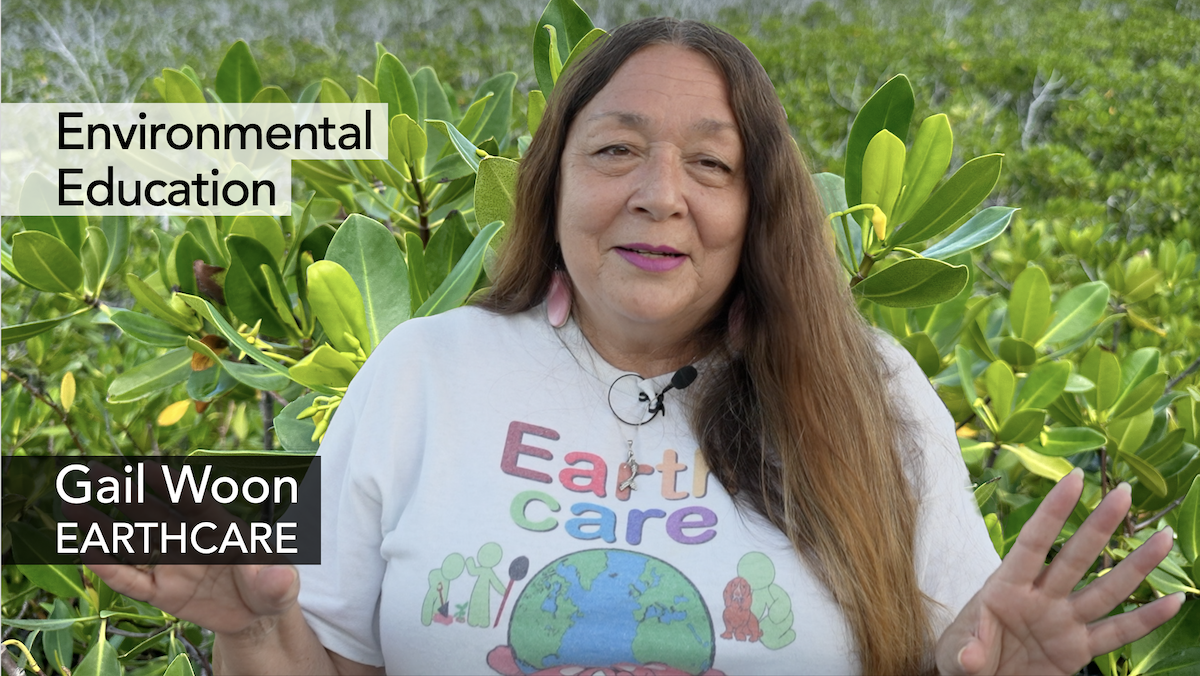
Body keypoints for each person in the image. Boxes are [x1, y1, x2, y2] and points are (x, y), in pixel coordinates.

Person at [90, 16, 1182, 676]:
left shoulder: (869, 388)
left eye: (711, 166)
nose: (660, 195)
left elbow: (956, 653)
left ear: (761, 210)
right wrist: (251, 633)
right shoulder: (425, 370)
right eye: (615, 149)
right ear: (552, 185)